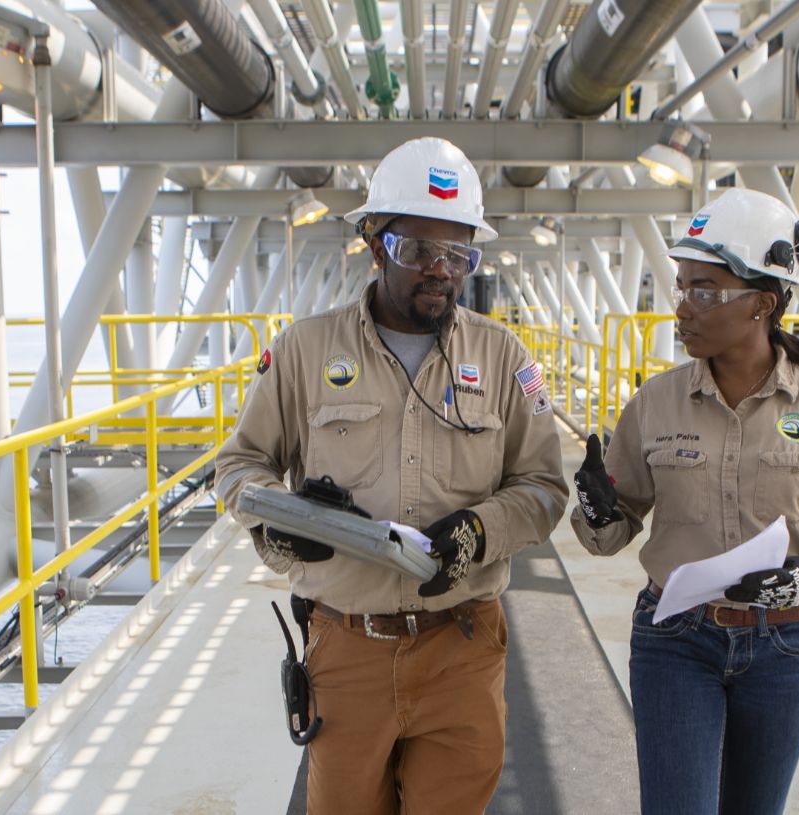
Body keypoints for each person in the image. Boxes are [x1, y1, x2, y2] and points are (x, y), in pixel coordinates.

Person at [216, 136, 569, 814]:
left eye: (457, 254)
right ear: (376, 244)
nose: (438, 270)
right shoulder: (303, 351)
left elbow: (544, 486)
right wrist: (282, 523)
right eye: (417, 251)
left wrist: (478, 531)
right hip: (347, 649)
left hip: (461, 650)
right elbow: (239, 464)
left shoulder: (504, 359)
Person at [571, 188, 799, 814]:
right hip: (677, 641)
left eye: (705, 291)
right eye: (682, 286)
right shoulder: (654, 404)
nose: (682, 308)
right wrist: (594, 506)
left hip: (786, 646)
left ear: (763, 304)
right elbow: (609, 534)